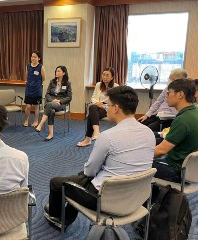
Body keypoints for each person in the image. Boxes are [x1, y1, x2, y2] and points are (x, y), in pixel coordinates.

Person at [44, 86, 155, 230]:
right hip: (137, 196)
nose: (105, 108)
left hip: (105, 199)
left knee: (57, 183)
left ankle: (56, 217)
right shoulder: (149, 133)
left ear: (116, 108)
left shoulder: (108, 136)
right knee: (79, 178)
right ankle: (67, 217)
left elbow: (90, 172)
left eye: (106, 105)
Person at [153, 78, 198, 183]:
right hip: (193, 171)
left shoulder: (182, 120)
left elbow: (161, 151)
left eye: (169, 93)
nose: (166, 96)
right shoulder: (195, 111)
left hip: (178, 170)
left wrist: (138, 156)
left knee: (139, 165)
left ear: (180, 94)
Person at [77, 67, 119, 147]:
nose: (105, 77)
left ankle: (88, 139)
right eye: (103, 75)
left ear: (112, 77)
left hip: (109, 108)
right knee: (92, 107)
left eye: (107, 75)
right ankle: (96, 132)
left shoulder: (115, 86)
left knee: (90, 115)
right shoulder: (98, 84)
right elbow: (94, 97)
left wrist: (104, 103)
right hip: (98, 107)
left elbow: (115, 100)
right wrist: (97, 103)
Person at [35, 66, 72, 141]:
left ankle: (40, 125)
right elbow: (47, 94)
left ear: (63, 73)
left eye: (58, 71)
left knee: (49, 105)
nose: (56, 72)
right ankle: (50, 134)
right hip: (51, 103)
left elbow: (69, 97)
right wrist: (53, 100)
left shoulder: (67, 83)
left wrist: (59, 101)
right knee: (51, 111)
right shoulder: (52, 82)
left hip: (60, 105)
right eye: (56, 71)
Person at [23, 50, 46, 128]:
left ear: (39, 58)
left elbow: (43, 78)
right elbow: (26, 76)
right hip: (29, 89)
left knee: (36, 106)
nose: (33, 58)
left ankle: (36, 121)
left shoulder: (41, 67)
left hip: (37, 89)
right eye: (32, 56)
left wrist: (36, 83)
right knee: (28, 106)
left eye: (35, 57)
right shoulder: (28, 66)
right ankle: (26, 120)